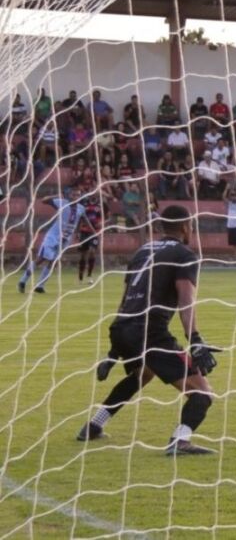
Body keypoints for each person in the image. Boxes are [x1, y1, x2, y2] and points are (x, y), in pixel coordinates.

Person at [75, 205, 220, 455]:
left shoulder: (143, 250)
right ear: (186, 227)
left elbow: (126, 297)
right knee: (203, 393)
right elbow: (187, 300)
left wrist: (113, 352)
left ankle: (94, 426)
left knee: (143, 374)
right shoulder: (184, 254)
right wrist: (195, 339)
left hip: (121, 327)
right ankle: (180, 441)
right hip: (150, 332)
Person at [19, 187, 90, 294]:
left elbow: (83, 219)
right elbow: (44, 200)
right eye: (74, 195)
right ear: (69, 195)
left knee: (53, 262)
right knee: (41, 259)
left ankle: (40, 286)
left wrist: (92, 232)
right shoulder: (61, 203)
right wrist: (57, 195)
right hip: (52, 237)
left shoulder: (81, 208)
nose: (76, 197)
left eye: (78, 195)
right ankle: (23, 280)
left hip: (65, 240)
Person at [77, 194, 103, 284]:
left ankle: (89, 275)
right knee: (83, 255)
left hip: (95, 232)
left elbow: (107, 216)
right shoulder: (84, 204)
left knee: (92, 252)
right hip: (84, 232)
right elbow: (79, 218)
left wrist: (101, 224)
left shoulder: (101, 205)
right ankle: (80, 275)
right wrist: (77, 232)